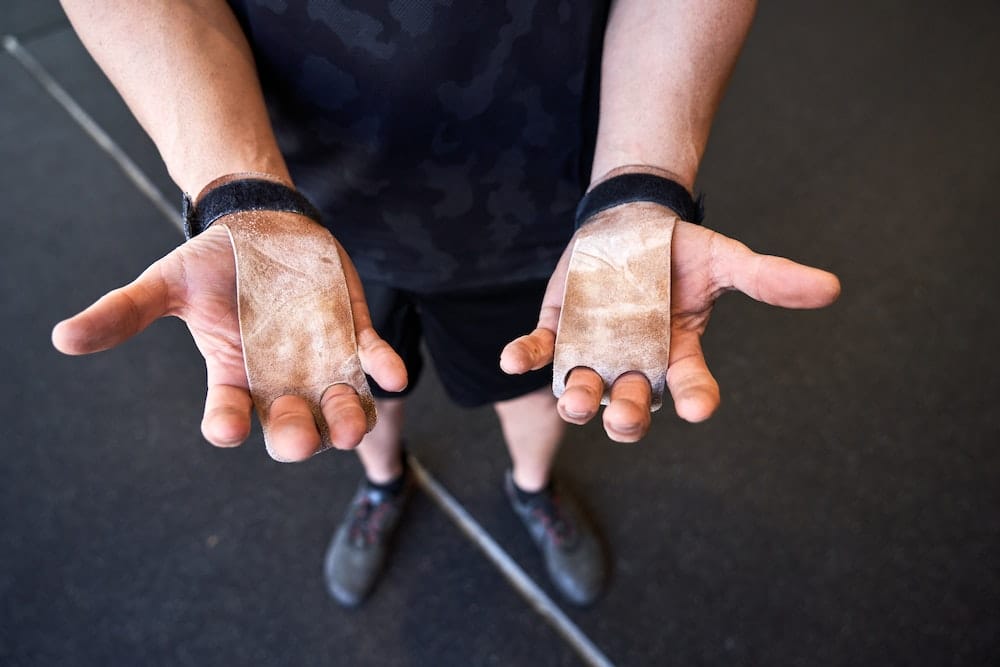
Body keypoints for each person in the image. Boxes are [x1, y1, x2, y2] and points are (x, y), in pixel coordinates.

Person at [53, 0, 840, 608]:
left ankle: (531, 489)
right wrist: (240, 189)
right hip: (303, 207)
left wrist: (640, 180)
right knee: (340, 384)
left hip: (545, 201)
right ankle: (382, 483)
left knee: (545, 378)